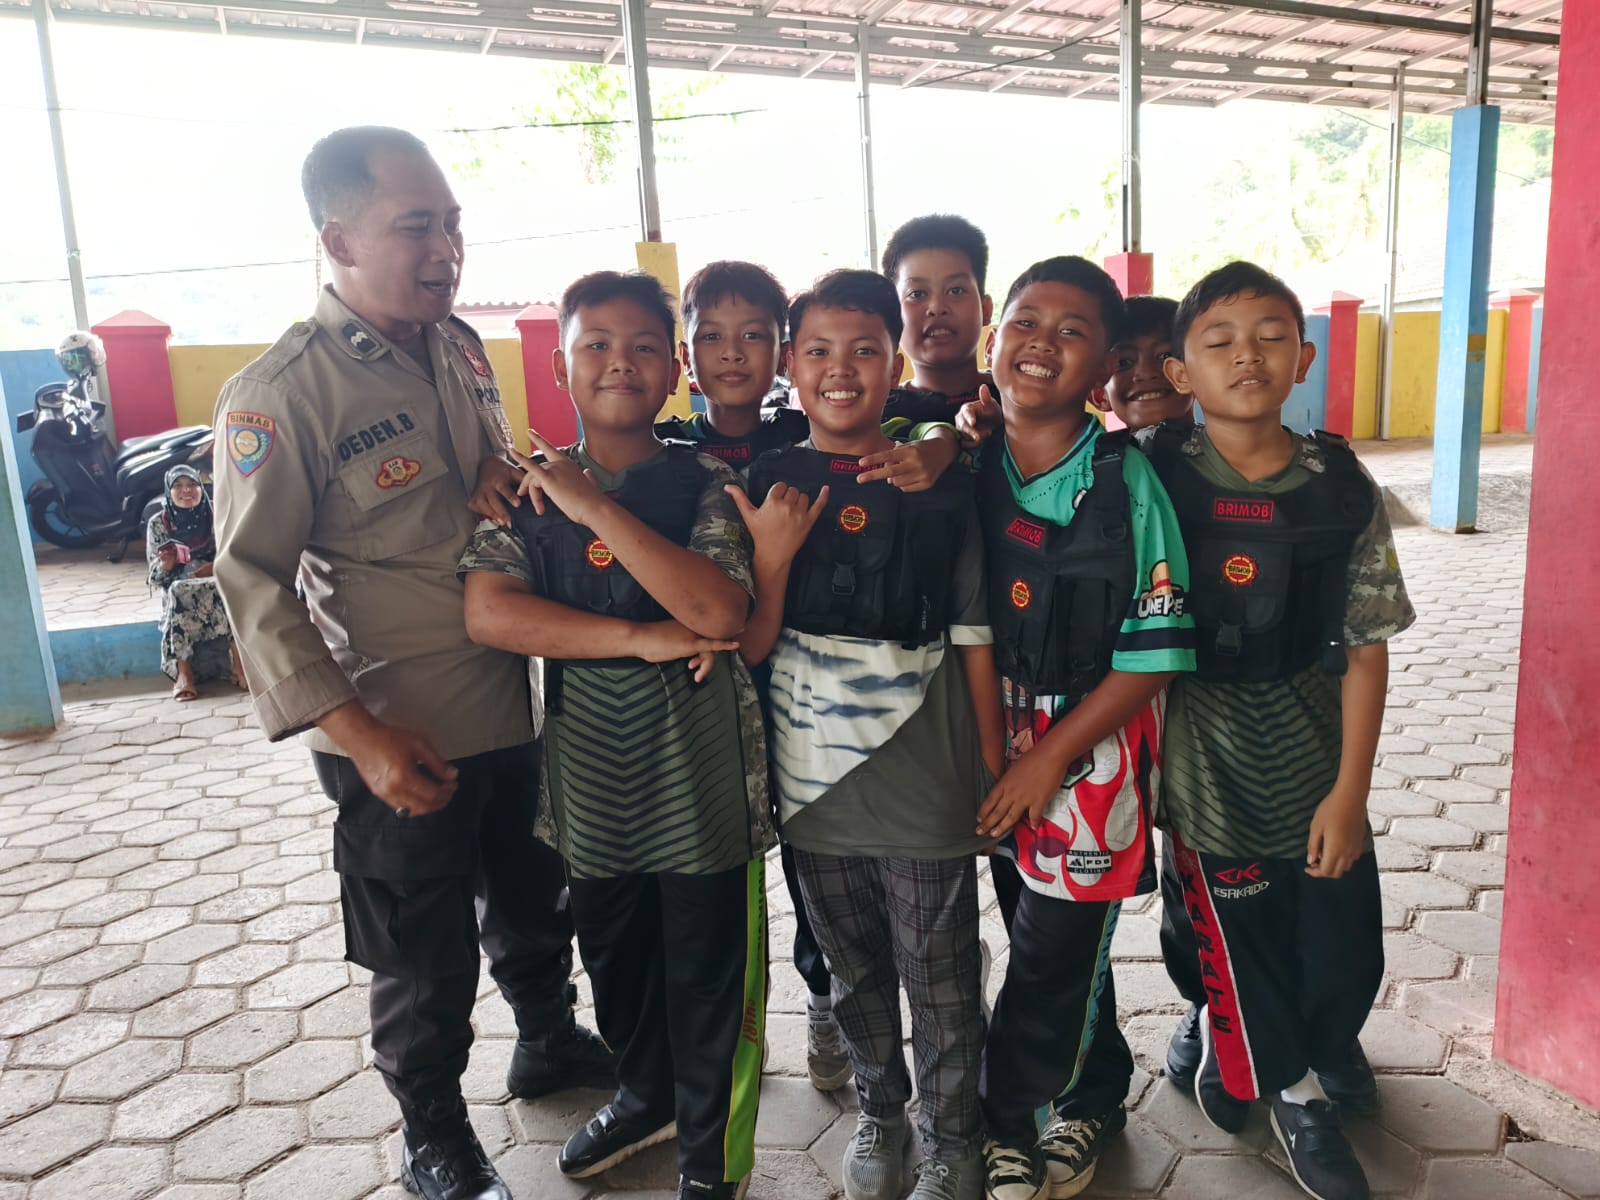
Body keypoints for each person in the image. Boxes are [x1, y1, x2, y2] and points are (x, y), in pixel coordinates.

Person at [211, 126, 609, 1200]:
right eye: (417, 227)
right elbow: (251, 581)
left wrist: (502, 480)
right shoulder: (281, 393)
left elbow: (486, 474)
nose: (447, 250)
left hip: (509, 700)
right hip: (398, 727)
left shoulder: (460, 348)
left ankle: (547, 1041)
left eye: (454, 225)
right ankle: (433, 1132)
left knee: (532, 897)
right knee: (422, 948)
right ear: (338, 239)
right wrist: (362, 739)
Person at [462, 270, 772, 1200]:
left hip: (700, 778)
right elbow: (491, 613)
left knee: (710, 973)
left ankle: (713, 1156)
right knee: (615, 958)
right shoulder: (522, 493)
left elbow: (717, 609)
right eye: (595, 345)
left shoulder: (705, 481)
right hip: (592, 783)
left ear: (674, 370)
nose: (620, 363)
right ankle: (645, 1096)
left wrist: (595, 506)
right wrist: (641, 638)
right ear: (560, 368)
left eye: (642, 347)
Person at [733, 268, 1005, 1200]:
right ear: (790, 363)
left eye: (864, 350)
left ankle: (953, 1139)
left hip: (927, 774)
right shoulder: (766, 480)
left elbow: (973, 629)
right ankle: (881, 1113)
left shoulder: (941, 479)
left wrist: (992, 762)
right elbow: (749, 638)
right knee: (852, 969)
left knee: (940, 971)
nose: (840, 370)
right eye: (818, 351)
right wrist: (771, 560)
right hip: (810, 779)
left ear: (896, 362)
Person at [1147, 262, 1414, 1200]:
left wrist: (1351, 792)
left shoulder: (1338, 483)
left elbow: (1369, 647)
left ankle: (1316, 1039)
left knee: (1342, 941)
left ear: (1303, 358)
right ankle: (1292, 1092)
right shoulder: (1148, 475)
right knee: (1229, 936)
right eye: (1218, 340)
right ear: (1180, 372)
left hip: (1312, 756)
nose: (1246, 356)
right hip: (1201, 762)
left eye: (1270, 337)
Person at [970, 258, 1196, 1200]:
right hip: (988, 741)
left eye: (1072, 332)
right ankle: (1093, 1089)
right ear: (995, 339)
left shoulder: (1126, 481)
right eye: (1027, 322)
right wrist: (997, 758)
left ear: (1103, 367)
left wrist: (1049, 760)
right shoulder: (964, 465)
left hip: (1090, 753)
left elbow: (1157, 651)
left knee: (1055, 952)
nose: (1043, 344)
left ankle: (1009, 1122)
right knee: (1036, 933)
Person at [880, 215, 996, 427]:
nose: (937, 307)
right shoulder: (878, 414)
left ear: (985, 309)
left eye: (956, 290)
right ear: (893, 318)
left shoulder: (1019, 397)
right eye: (917, 294)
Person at [146, 464, 243, 701]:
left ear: (201, 488)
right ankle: (184, 673)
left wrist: (216, 567)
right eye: (178, 486)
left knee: (222, 585)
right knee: (180, 590)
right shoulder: (159, 524)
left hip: (217, 580)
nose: (186, 491)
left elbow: (239, 555)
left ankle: (240, 664)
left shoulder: (219, 514)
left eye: (192, 484)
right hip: (179, 590)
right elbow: (154, 578)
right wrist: (166, 565)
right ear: (169, 491)